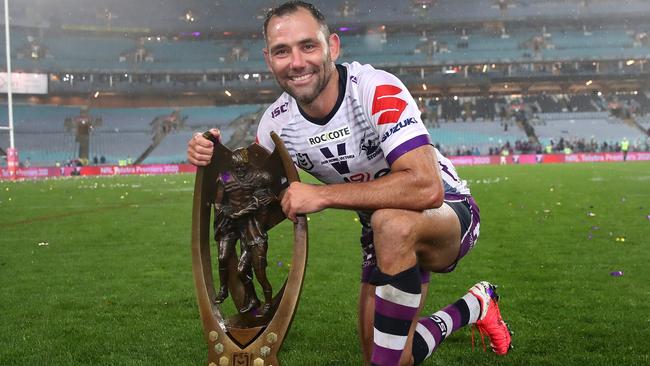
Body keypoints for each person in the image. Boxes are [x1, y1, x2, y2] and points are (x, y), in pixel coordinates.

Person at [187, 2, 511, 365]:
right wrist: (212, 157)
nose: (296, 62)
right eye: (282, 51)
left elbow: (426, 187)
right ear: (268, 59)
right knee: (389, 354)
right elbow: (251, 197)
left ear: (333, 47)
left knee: (391, 222)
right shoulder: (275, 124)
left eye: (308, 46)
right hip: (380, 231)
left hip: (446, 211)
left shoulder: (375, 89)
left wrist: (322, 196)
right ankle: (475, 305)